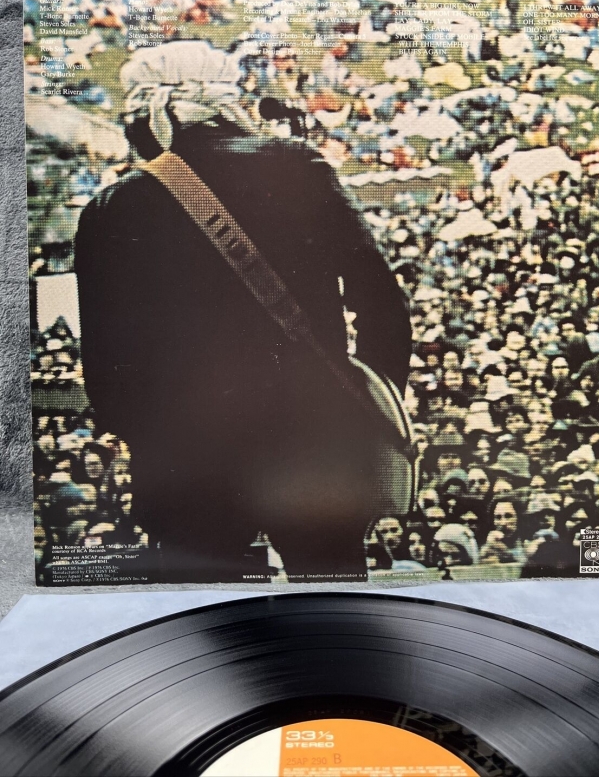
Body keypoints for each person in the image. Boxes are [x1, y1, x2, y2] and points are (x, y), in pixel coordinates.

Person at [75, 41, 412, 583]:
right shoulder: (299, 165)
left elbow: (106, 364)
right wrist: (366, 396)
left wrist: (152, 440)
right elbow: (382, 300)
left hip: (188, 456)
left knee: (209, 615)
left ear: (146, 113)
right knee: (331, 602)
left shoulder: (112, 207)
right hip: (312, 437)